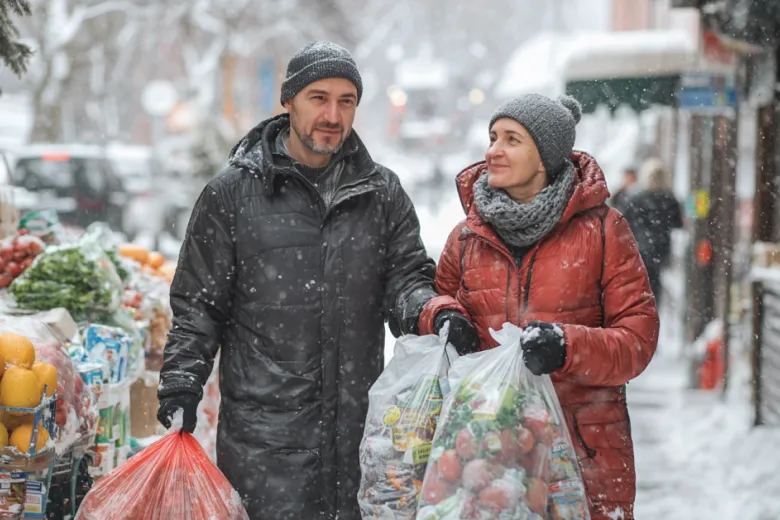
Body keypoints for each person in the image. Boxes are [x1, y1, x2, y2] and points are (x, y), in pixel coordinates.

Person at [156, 41, 478, 520]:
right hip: (263, 444)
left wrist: (433, 312)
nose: (332, 114)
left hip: (356, 436)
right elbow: (199, 304)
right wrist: (182, 379)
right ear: (288, 102)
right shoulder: (232, 195)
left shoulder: (382, 194)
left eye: (346, 101)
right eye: (318, 98)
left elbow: (406, 280)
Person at [418, 94, 659, 520]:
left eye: (512, 140)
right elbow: (436, 312)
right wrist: (441, 316)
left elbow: (637, 340)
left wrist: (567, 347)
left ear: (545, 156)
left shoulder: (604, 231)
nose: (493, 150)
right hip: (484, 454)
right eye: (493, 137)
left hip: (583, 455)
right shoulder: (465, 237)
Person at [622, 158, 684, 306]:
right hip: (660, 250)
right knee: (654, 290)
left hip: (639, 250)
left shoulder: (636, 199)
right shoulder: (669, 199)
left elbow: (623, 223)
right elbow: (678, 224)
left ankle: (640, 314)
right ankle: (652, 315)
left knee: (639, 286)